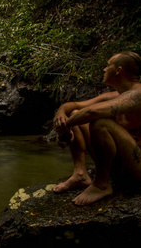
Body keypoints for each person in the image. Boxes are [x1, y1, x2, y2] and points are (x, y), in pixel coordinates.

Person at [53, 51, 141, 205]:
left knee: (100, 123)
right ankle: (80, 174)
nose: (104, 69)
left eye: (108, 66)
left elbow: (93, 111)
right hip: (122, 167)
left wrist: (64, 128)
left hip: (137, 168)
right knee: (76, 114)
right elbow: (73, 106)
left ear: (119, 70)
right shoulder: (114, 95)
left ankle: (101, 184)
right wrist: (60, 113)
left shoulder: (138, 93)